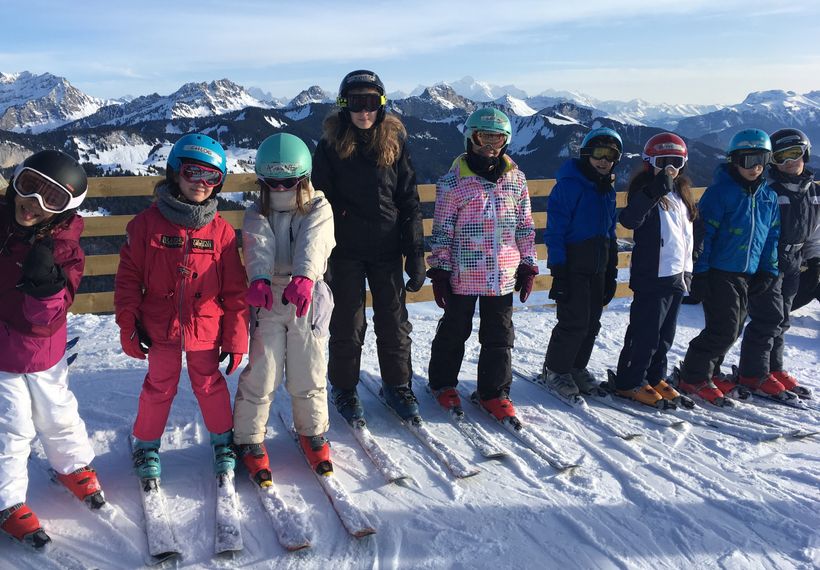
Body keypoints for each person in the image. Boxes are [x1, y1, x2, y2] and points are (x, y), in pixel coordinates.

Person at [114, 134, 249, 480]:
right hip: (160, 326)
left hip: (206, 326)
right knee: (159, 384)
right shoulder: (146, 225)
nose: (201, 183)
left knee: (209, 383)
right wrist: (128, 323)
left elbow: (235, 291)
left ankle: (223, 441)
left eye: (211, 176)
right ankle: (146, 445)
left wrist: (236, 339)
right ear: (175, 172)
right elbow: (128, 279)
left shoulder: (221, 232)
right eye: (192, 172)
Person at [0, 150, 103, 548]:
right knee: (11, 426)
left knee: (58, 412)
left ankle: (73, 465)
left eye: (52, 199)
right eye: (28, 187)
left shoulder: (64, 251)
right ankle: (7, 501)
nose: (33, 203)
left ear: (65, 209)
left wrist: (45, 286)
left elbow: (47, 318)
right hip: (3, 357)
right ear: (15, 183)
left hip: (42, 350)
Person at [312, 70, 426, 423]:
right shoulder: (330, 146)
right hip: (343, 250)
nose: (364, 111)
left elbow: (408, 200)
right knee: (347, 323)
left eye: (371, 102)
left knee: (393, 321)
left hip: (386, 248)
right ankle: (344, 387)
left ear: (382, 105)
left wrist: (416, 252)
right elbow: (318, 203)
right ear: (344, 106)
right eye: (356, 103)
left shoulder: (394, 144)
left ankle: (397, 384)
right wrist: (319, 254)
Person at [233, 133, 336, 480]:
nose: (279, 189)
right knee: (263, 370)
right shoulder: (256, 211)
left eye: (287, 182)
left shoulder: (319, 207)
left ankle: (313, 431)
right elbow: (258, 242)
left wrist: (305, 276)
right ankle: (248, 436)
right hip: (268, 297)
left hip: (308, 295)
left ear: (303, 178)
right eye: (272, 183)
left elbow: (314, 241)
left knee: (309, 367)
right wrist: (259, 278)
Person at [426, 108, 538, 425]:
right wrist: (440, 269)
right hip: (464, 273)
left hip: (503, 274)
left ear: (506, 141)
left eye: (497, 139)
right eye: (483, 138)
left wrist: (528, 263)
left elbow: (525, 227)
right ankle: (443, 382)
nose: (490, 146)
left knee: (499, 335)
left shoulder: (516, 180)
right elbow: (442, 231)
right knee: (455, 329)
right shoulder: (453, 183)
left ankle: (494, 392)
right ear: (470, 138)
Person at [678, 129, 781, 405]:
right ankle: (693, 375)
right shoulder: (720, 193)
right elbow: (705, 235)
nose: (755, 167)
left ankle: (710, 371)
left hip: (748, 273)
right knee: (724, 328)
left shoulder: (768, 197)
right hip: (719, 271)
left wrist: (768, 270)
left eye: (761, 159)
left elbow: (771, 237)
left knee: (733, 328)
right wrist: (701, 272)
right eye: (748, 160)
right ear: (734, 161)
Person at [612, 133, 696, 407]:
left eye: (676, 162)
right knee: (645, 333)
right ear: (650, 163)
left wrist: (691, 262)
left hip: (677, 274)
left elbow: (688, 232)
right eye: (663, 162)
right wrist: (653, 192)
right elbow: (630, 220)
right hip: (652, 275)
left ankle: (654, 376)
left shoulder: (681, 193)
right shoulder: (646, 191)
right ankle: (629, 381)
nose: (670, 168)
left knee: (665, 335)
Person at [541, 127, 621, 398]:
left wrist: (611, 271)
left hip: (598, 266)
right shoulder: (569, 186)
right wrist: (559, 271)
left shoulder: (607, 190)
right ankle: (556, 370)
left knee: (592, 322)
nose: (604, 161)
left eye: (611, 156)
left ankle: (576, 366)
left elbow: (610, 232)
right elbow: (555, 232)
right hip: (573, 265)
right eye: (599, 153)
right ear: (587, 154)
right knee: (573, 321)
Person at [746, 128, 817, 397]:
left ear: (805, 154)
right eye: (780, 157)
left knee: (783, 319)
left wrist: (815, 260)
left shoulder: (813, 191)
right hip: (769, 261)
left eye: (794, 154)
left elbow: (816, 231)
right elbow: (757, 231)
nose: (789, 162)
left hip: (794, 261)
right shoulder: (769, 191)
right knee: (768, 318)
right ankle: (754, 373)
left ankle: (773, 369)